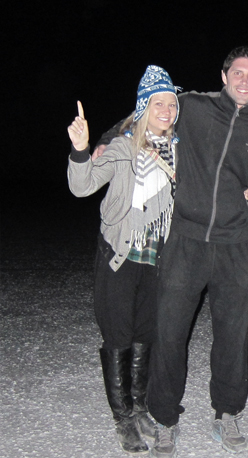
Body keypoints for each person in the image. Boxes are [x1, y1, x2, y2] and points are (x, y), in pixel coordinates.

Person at [142, 46, 248, 457]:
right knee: (169, 331)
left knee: (234, 335)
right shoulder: (191, 107)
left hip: (237, 244)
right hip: (185, 238)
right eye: (237, 72)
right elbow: (146, 116)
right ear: (224, 75)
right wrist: (106, 144)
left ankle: (228, 412)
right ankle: (165, 418)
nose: (243, 80)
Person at [67, 65, 179, 455]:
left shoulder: (180, 151)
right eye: (158, 103)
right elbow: (82, 186)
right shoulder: (121, 146)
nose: (165, 110)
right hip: (119, 254)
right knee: (118, 336)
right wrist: (81, 149)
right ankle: (123, 418)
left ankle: (141, 407)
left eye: (171, 103)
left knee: (145, 333)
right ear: (143, 107)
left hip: (156, 258)